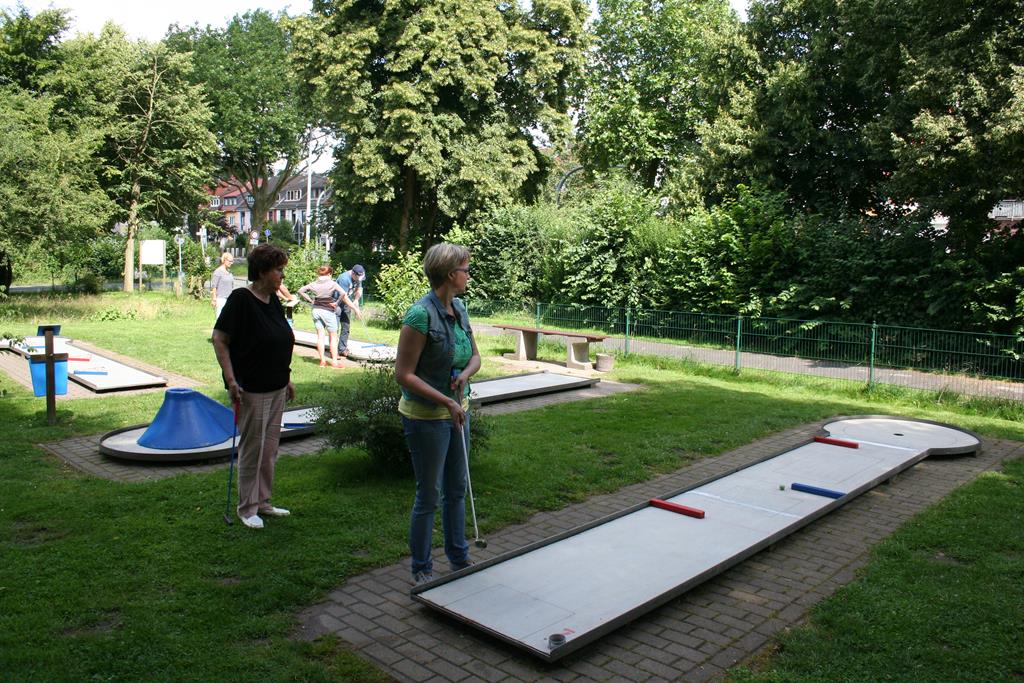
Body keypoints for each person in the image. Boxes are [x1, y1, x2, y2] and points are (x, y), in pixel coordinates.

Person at [394, 244, 481, 585]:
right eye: (465, 270)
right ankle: (422, 569)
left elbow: (475, 357)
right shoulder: (420, 316)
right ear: (450, 274)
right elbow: (404, 374)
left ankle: (459, 557)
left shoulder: (460, 308)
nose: (468, 275)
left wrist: (464, 376)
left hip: (458, 411)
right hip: (426, 417)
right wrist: (446, 401)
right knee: (429, 495)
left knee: (457, 488)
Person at [212, 244, 296, 530]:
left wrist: (287, 378)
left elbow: (277, 341)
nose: (282, 275)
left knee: (269, 448)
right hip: (252, 388)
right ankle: (247, 508)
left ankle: (262, 501)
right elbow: (220, 339)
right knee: (253, 449)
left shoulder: (272, 300)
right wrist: (231, 380)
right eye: (278, 270)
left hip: (276, 385)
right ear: (262, 272)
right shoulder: (241, 300)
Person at [297, 265, 347, 367]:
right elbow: (343, 293)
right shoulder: (332, 283)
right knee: (333, 336)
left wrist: (310, 300)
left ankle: (322, 361)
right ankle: (334, 362)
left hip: (316, 310)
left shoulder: (314, 284)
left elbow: (300, 291)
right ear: (329, 274)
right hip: (327, 311)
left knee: (320, 336)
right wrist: (336, 303)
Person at [334, 264, 365, 356]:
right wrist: (355, 309)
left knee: (346, 327)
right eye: (357, 277)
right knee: (335, 328)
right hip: (336, 303)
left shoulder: (358, 276)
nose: (359, 280)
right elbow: (344, 297)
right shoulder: (344, 278)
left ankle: (342, 349)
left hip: (347, 304)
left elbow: (359, 289)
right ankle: (334, 351)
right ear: (353, 273)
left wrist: (356, 300)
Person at [210, 252, 235, 320]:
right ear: (224, 260)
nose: (231, 263)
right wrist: (214, 299)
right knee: (220, 320)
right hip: (221, 300)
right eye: (230, 261)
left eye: (232, 261)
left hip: (229, 299)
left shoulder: (230, 272)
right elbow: (214, 287)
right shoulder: (218, 272)